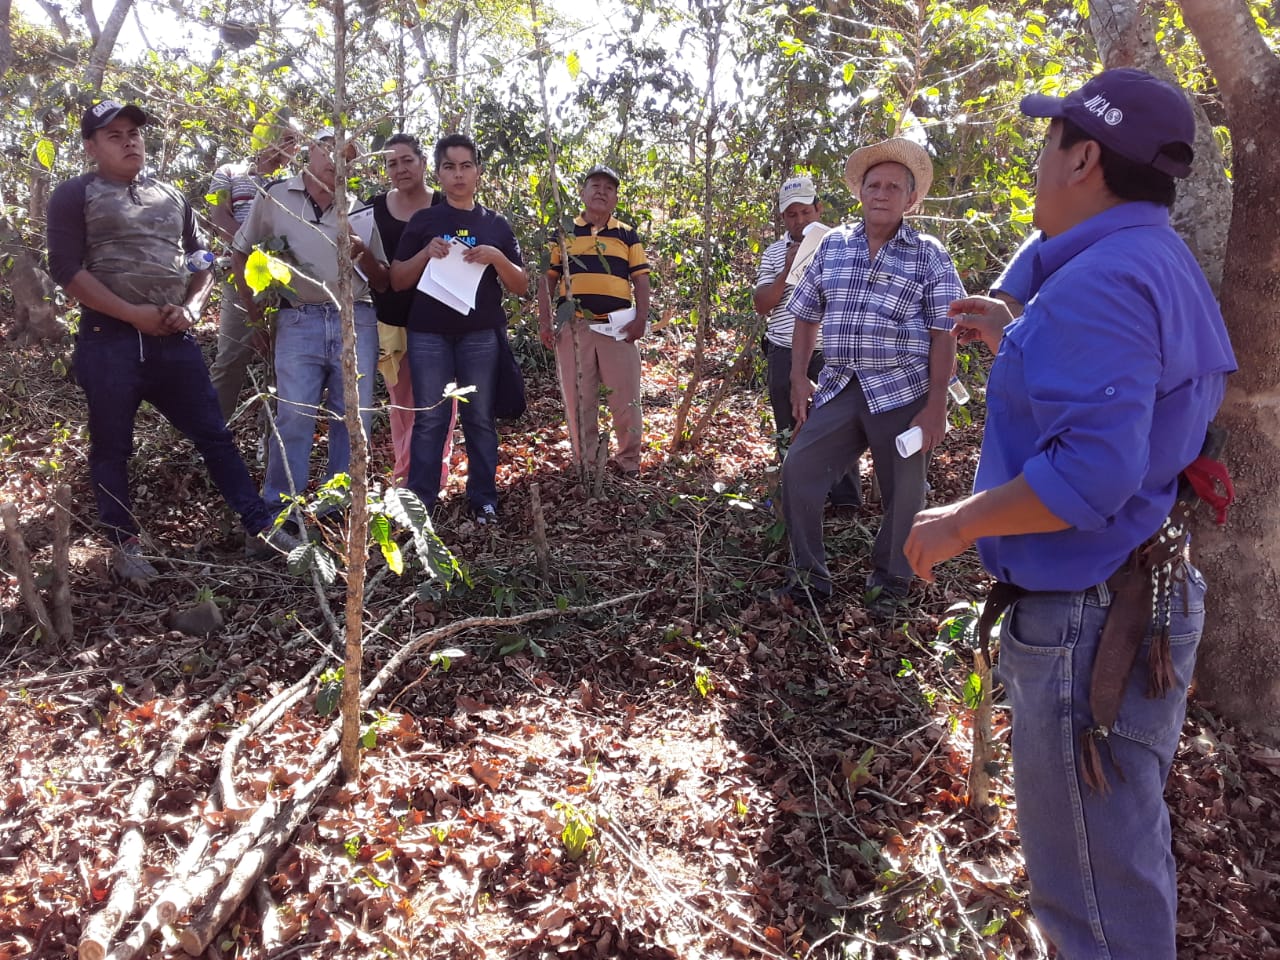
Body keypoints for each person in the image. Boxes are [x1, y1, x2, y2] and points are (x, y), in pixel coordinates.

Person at [903, 69, 1236, 958]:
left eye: (1052, 142)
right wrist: (1016, 327)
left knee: (1090, 889)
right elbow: (1137, 400)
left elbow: (1092, 473)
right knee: (1114, 857)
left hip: (1091, 621)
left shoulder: (1102, 281)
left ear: (1085, 156)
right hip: (1136, 589)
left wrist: (958, 523)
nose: (1040, 159)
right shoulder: (1154, 260)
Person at [45, 100, 302, 581]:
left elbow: (201, 261)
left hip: (173, 341)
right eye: (115, 135)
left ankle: (259, 527)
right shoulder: (74, 195)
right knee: (112, 446)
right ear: (91, 147)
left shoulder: (170, 194)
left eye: (134, 133)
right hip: (110, 340)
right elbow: (66, 270)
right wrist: (131, 314)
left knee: (215, 436)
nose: (130, 141)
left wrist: (192, 308)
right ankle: (124, 546)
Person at [781, 137, 964, 614]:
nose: (881, 193)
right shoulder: (834, 245)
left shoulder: (929, 254)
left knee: (905, 493)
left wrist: (936, 405)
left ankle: (890, 584)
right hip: (841, 384)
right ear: (859, 192)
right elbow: (805, 312)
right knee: (799, 470)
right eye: (873, 184)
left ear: (911, 199)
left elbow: (944, 333)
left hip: (902, 389)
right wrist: (800, 377)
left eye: (893, 187)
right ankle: (809, 580)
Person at [230, 128, 389, 530]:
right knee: (294, 416)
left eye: (347, 154)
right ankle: (281, 511)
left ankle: (338, 508)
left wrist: (362, 250)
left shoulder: (359, 210)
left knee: (352, 418)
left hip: (355, 319)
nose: (336, 159)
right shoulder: (276, 197)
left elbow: (382, 279)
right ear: (310, 151)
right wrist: (253, 316)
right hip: (297, 317)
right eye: (328, 149)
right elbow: (242, 250)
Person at [389, 133, 527, 523]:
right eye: (449, 167)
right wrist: (424, 253)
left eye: (466, 166)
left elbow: (521, 284)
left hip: (480, 334)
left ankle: (483, 498)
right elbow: (398, 279)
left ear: (478, 172)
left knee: (479, 416)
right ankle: (421, 503)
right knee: (430, 417)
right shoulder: (424, 221)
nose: (459, 174)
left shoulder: (495, 224)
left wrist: (497, 257)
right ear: (439, 173)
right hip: (428, 333)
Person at [536, 164, 651, 477]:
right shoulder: (563, 232)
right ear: (582, 193)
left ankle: (628, 463)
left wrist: (641, 318)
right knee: (579, 399)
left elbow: (640, 280)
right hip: (574, 328)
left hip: (618, 329)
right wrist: (545, 322)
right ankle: (585, 464)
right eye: (595, 185)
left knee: (626, 400)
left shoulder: (626, 234)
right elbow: (547, 279)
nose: (602, 191)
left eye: (609, 188)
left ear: (615, 198)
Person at [753, 174, 860, 506]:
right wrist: (788, 268)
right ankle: (794, 495)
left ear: (818, 209)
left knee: (838, 423)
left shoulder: (844, 244)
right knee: (788, 421)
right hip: (784, 348)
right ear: (783, 217)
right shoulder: (773, 253)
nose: (799, 220)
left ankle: (845, 500)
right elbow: (760, 303)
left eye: (805, 212)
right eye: (791, 214)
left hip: (831, 349)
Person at [364, 133, 454, 488]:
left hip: (440, 319)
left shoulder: (446, 204)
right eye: (392, 163)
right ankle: (406, 477)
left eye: (407, 160)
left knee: (439, 402)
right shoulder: (372, 208)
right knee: (402, 402)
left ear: (422, 163)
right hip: (393, 318)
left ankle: (436, 475)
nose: (400, 169)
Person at [207, 116, 301, 422]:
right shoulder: (230, 173)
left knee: (280, 360)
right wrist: (249, 250)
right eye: (284, 137)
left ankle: (272, 440)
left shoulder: (291, 185)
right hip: (239, 276)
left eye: (294, 141)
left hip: (282, 280)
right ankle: (213, 434)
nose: (289, 146)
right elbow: (219, 216)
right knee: (231, 357)